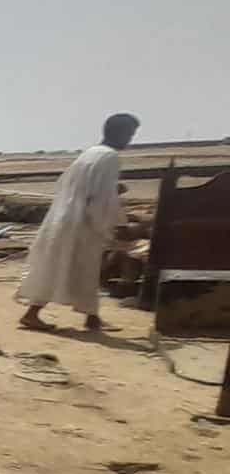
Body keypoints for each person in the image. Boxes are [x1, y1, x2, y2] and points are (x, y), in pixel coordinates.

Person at [17, 113, 139, 331]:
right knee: (85, 268)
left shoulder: (89, 154)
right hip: (82, 223)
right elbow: (102, 197)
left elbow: (77, 187)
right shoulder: (110, 157)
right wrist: (119, 224)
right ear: (120, 133)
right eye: (130, 134)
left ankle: (86, 317)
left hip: (65, 218)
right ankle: (86, 318)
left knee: (58, 267)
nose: (130, 139)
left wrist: (113, 191)